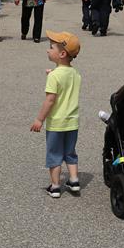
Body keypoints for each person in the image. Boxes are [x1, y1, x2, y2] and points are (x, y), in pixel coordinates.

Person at [30, 30, 82, 198]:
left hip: (57, 124)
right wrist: (53, 74)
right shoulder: (75, 74)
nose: (47, 50)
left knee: (54, 154)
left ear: (61, 53)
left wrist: (39, 119)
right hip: (72, 122)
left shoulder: (54, 77)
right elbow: (65, 79)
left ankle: (55, 186)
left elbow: (50, 100)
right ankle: (74, 180)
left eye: (51, 47)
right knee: (70, 152)